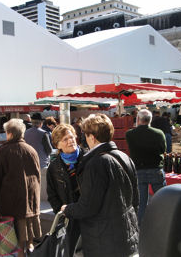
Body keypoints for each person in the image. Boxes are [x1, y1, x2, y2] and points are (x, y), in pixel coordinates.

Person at [61, 114, 139, 257]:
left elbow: (88, 206)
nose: (84, 138)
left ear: (92, 137)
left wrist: (68, 209)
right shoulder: (124, 156)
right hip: (127, 234)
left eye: (85, 135)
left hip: (104, 240)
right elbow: (135, 200)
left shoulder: (96, 163)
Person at [0, 119, 41, 257]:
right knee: (28, 241)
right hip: (30, 203)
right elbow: (38, 177)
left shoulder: (3, 151)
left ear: (9, 134)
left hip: (10, 204)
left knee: (13, 244)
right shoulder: (31, 150)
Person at [47, 124, 85, 257]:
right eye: (65, 139)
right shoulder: (54, 167)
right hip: (69, 218)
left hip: (89, 215)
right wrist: (61, 211)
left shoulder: (88, 158)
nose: (70, 141)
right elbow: (52, 194)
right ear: (58, 145)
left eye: (71, 137)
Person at [126, 109, 166, 224]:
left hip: (139, 170)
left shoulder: (130, 134)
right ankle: (164, 223)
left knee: (141, 203)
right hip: (156, 169)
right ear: (150, 120)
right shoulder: (159, 133)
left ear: (138, 120)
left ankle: (139, 228)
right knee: (162, 200)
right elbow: (163, 150)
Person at [24, 112, 52, 201]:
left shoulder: (25, 133)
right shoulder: (44, 133)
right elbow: (49, 150)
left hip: (28, 163)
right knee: (42, 187)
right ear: (41, 123)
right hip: (41, 163)